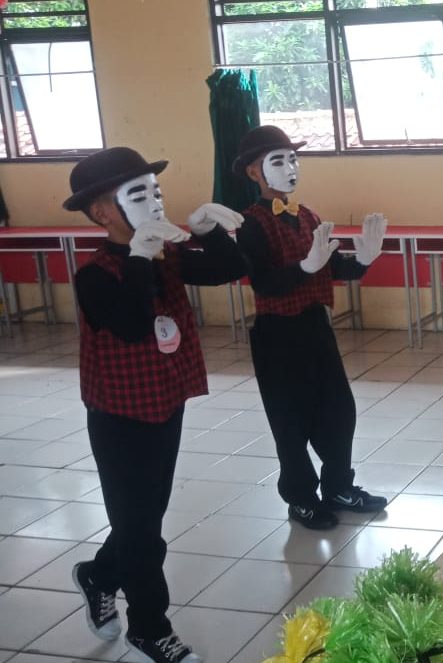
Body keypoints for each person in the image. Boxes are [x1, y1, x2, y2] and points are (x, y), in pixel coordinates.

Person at [63, 147, 246, 663]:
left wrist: (208, 232)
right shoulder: (95, 274)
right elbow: (130, 322)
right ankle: (149, 627)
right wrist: (140, 257)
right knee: (142, 529)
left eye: (157, 192)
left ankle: (99, 574)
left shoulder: (166, 254)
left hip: (164, 400)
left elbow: (230, 268)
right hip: (119, 415)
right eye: (139, 195)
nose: (157, 203)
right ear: (103, 212)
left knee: (143, 516)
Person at [233, 125, 388, 530]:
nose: (291, 168)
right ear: (254, 172)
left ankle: (338, 487)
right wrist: (304, 267)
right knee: (290, 421)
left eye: (293, 159)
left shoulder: (307, 215)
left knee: (339, 411)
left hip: (315, 325)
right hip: (277, 334)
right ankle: (300, 497)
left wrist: (363, 260)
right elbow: (264, 283)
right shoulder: (250, 224)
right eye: (278, 161)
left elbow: (332, 267)